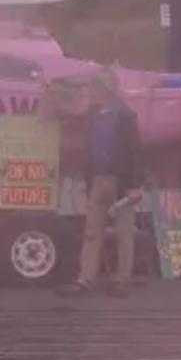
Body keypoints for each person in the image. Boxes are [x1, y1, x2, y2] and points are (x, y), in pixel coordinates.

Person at [61, 68, 145, 297]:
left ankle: (122, 279)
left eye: (95, 87)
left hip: (121, 180)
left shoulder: (125, 116)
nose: (92, 92)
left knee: (124, 232)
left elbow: (136, 151)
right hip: (97, 178)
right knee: (92, 231)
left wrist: (136, 184)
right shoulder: (92, 114)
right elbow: (74, 120)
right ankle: (85, 277)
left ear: (106, 89)